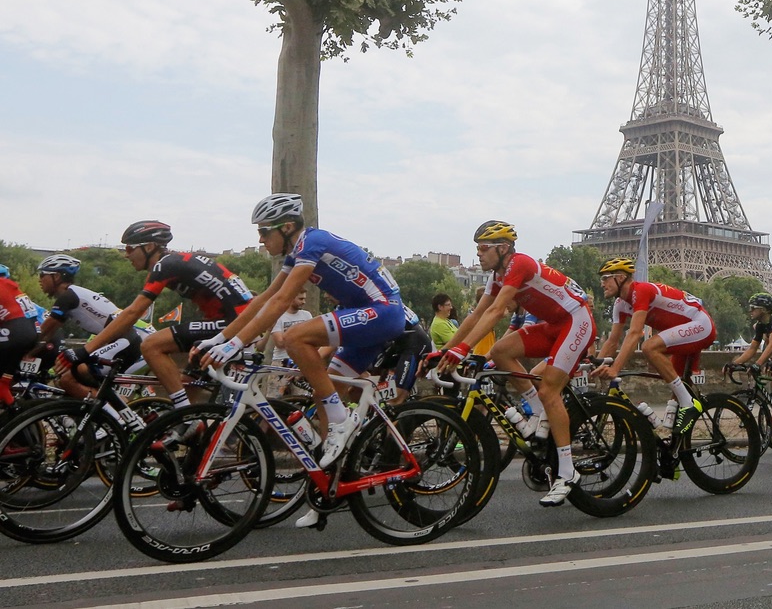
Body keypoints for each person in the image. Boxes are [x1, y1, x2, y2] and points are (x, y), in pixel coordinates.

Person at [194, 194, 407, 479]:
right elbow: (264, 299)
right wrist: (220, 339)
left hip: (383, 311)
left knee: (295, 337)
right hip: (369, 316)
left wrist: (235, 345)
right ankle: (333, 476)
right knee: (325, 390)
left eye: (264, 231)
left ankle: (342, 422)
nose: (260, 239)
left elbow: (282, 301)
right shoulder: (296, 253)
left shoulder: (311, 242)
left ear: (287, 227)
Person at [437, 220, 596, 507]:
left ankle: (567, 472)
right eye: (477, 249)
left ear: (503, 248)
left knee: (549, 390)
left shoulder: (519, 263)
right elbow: (476, 315)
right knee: (500, 351)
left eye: (483, 248)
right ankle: (538, 412)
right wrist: (447, 350)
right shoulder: (496, 276)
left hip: (576, 320)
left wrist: (462, 349)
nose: (479, 254)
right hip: (554, 324)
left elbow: (497, 311)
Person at [101, 221, 253, 412]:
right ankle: (191, 423)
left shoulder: (165, 265)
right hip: (234, 320)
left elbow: (133, 312)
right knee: (187, 385)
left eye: (130, 248)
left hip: (235, 323)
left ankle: (182, 414)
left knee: (151, 345)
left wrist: (87, 350)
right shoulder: (174, 261)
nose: (126, 254)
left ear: (149, 247)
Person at [592, 258, 716, 434]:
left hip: (700, 324)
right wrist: (595, 364)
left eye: (605, 278)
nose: (602, 284)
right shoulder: (619, 305)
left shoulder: (640, 290)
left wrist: (615, 369)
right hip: (682, 332)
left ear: (620, 277)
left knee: (649, 347)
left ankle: (689, 404)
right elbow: (612, 341)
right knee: (676, 385)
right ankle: (673, 440)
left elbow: (635, 333)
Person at [32, 254, 151, 398]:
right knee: (75, 379)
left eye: (42, 274)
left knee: (68, 380)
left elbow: (43, 331)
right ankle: (112, 406)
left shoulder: (68, 297)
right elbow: (49, 334)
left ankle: (116, 410)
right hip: (123, 341)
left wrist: (23, 351)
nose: (39, 279)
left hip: (125, 342)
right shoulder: (72, 294)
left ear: (56, 276)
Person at [0, 266, 42, 405]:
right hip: (30, 332)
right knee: (3, 384)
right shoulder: (7, 284)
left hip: (17, 332)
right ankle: (13, 407)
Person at [730, 293, 772, 371]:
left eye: (753, 308)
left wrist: (758, 364)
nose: (750, 311)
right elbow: (752, 349)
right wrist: (734, 364)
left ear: (763, 310)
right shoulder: (760, 325)